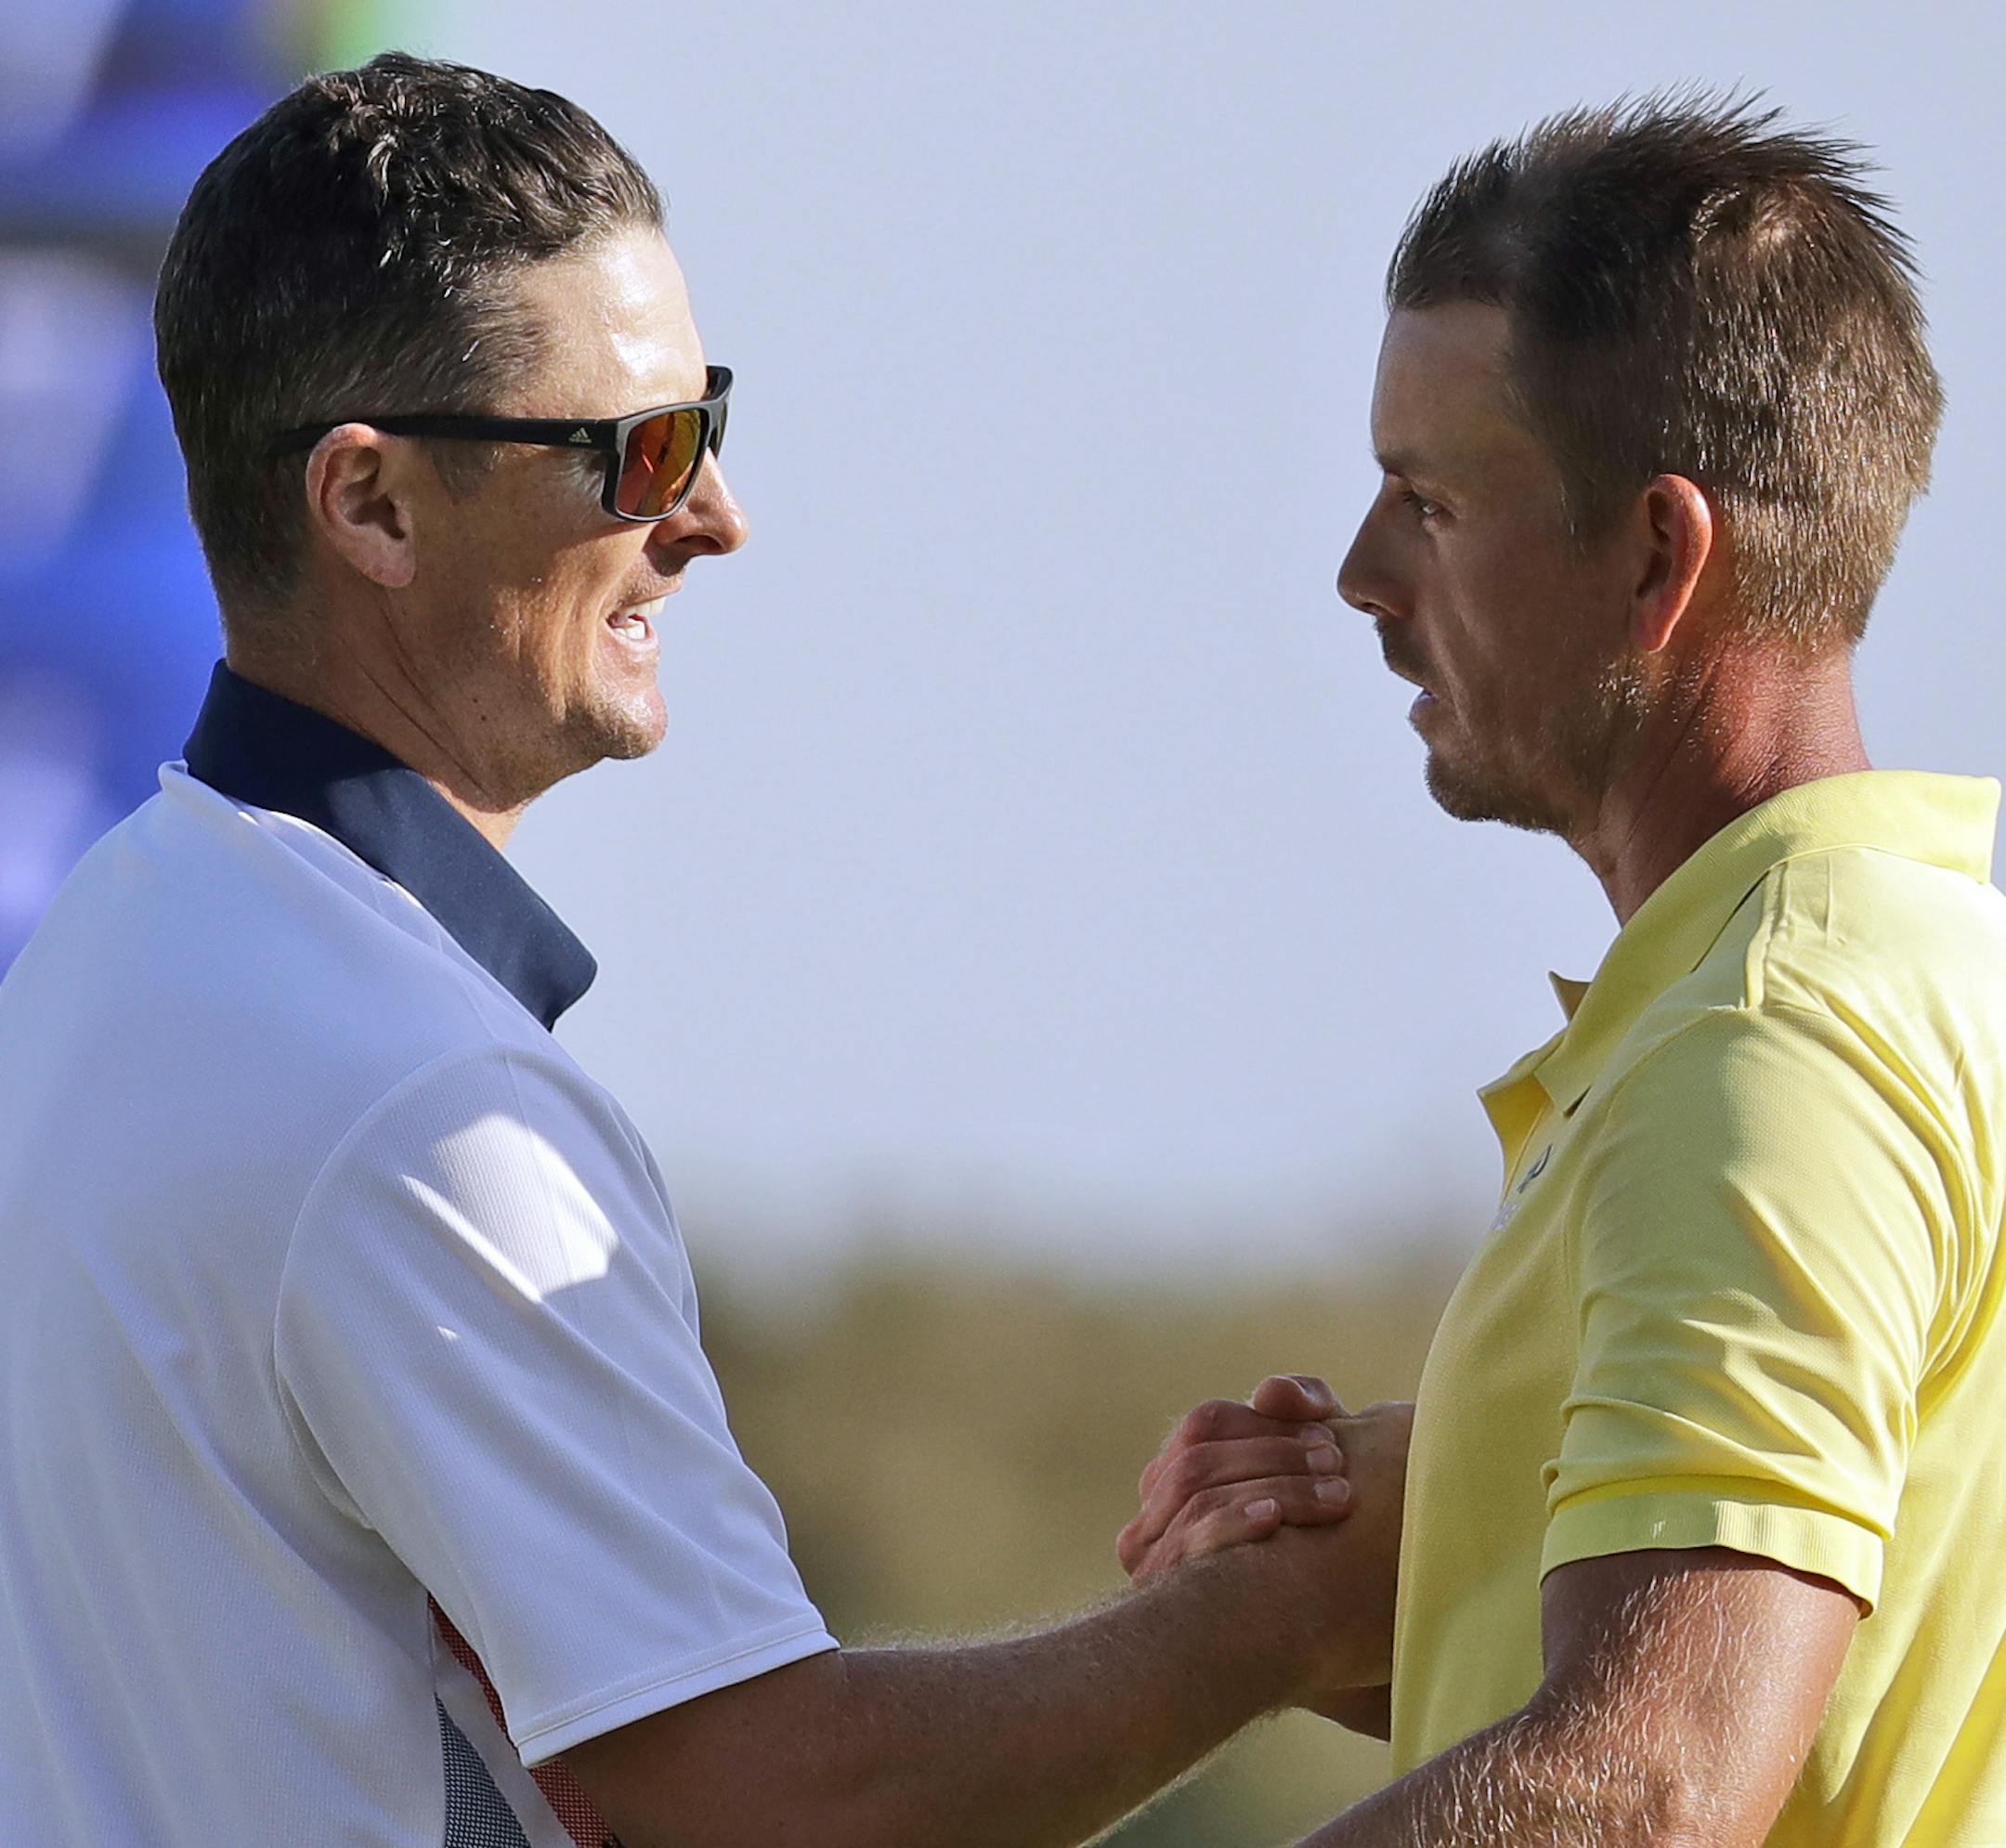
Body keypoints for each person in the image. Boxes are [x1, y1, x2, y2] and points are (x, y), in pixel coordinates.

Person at [0, 53, 1394, 1848]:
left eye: (706, 419)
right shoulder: (421, 1098)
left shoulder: (102, 959)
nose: (716, 514)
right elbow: (776, 1805)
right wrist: (1280, 1614)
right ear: (370, 504)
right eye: (639, 451)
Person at [1124, 95, 2006, 1844]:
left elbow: (1648, 1784)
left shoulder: (1770, 1043)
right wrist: (1455, 1520)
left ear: (1662, 555)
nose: (1361, 574)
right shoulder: (1923, 967)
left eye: (1431, 502)